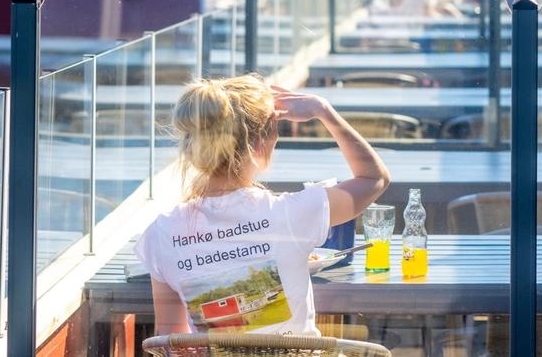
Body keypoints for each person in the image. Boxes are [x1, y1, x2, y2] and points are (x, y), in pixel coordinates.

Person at [135, 75, 390, 335]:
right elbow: (374, 178)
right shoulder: (293, 214)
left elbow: (171, 341)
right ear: (258, 144)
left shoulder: (162, 233)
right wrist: (324, 111)